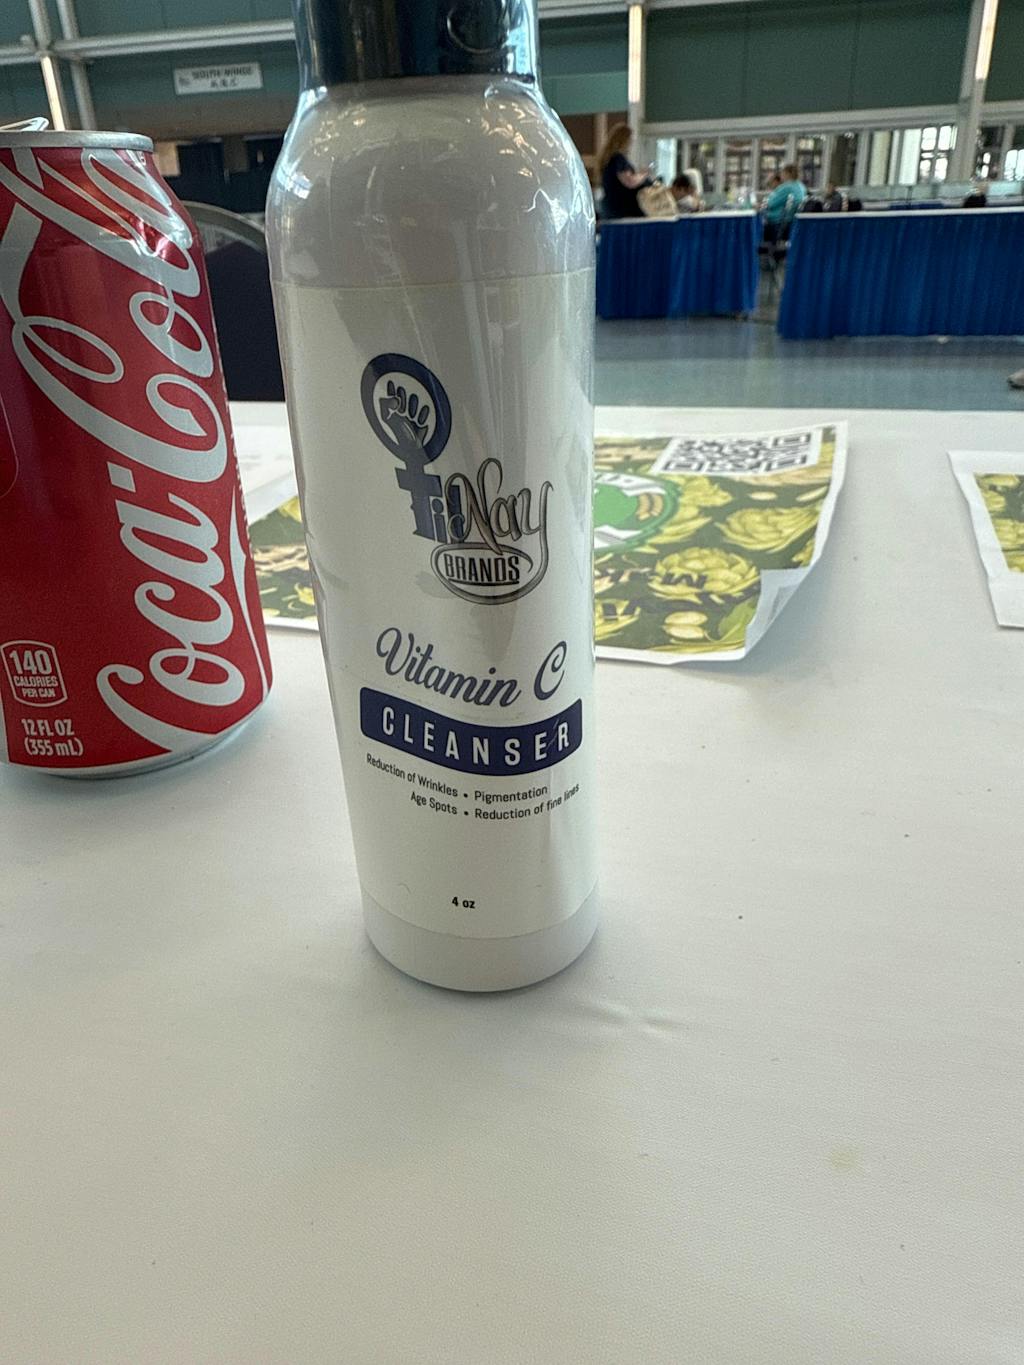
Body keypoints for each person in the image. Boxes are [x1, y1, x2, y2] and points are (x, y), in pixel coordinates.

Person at [598, 123, 650, 220]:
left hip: (612, 210)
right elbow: (630, 181)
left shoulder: (608, 161)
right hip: (622, 211)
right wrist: (643, 175)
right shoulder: (618, 159)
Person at [763, 163, 807, 242]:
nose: (781, 175)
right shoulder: (802, 186)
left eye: (782, 173)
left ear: (787, 174)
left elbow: (770, 204)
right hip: (793, 222)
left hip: (778, 222)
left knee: (755, 226)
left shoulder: (786, 187)